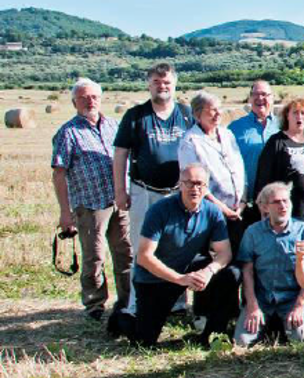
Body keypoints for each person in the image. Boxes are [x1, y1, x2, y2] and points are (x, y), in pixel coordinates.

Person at [126, 164, 234, 347]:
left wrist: (208, 272)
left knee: (230, 275)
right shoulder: (160, 210)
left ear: (207, 187)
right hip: (155, 277)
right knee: (144, 341)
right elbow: (144, 257)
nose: (195, 189)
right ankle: (121, 318)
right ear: (180, 185)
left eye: (200, 184)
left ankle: (212, 334)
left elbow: (225, 252)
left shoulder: (212, 211)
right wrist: (179, 279)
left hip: (188, 268)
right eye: (189, 183)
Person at [52, 77, 131, 322]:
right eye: (83, 98)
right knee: (94, 257)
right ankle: (95, 304)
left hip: (119, 200)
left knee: (125, 253)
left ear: (101, 98)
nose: (90, 101)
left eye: (94, 96)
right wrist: (65, 212)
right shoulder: (68, 133)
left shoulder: (114, 126)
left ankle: (128, 301)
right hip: (89, 203)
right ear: (74, 102)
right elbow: (59, 173)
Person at [113, 63, 195, 273]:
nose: (162, 86)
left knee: (177, 247)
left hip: (179, 194)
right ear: (148, 85)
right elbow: (120, 154)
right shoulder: (135, 115)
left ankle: (176, 293)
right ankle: (139, 294)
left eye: (166, 82)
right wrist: (120, 191)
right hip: (144, 192)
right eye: (156, 82)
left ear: (175, 84)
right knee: (142, 249)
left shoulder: (187, 114)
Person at [234, 183, 304, 348]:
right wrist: (252, 305)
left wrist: (300, 306)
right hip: (263, 299)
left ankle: (280, 325)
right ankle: (271, 325)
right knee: (241, 342)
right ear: (265, 207)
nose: (283, 206)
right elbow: (247, 271)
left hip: (292, 299)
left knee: (302, 340)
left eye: (286, 201)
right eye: (276, 202)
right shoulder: (252, 232)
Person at [178, 91, 247, 253]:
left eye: (219, 109)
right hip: (210, 213)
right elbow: (193, 183)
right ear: (197, 114)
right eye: (212, 110)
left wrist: (243, 201)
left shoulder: (227, 134)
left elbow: (240, 168)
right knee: (217, 256)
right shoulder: (190, 142)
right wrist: (223, 209)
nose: (218, 114)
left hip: (238, 210)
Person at [252, 96, 304, 219]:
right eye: (295, 112)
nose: (299, 117)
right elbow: (263, 178)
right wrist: (264, 209)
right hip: (285, 213)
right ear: (287, 116)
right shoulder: (276, 142)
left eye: (303, 113)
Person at [228, 80, 279, 194]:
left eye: (264, 94)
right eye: (255, 94)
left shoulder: (284, 126)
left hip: (277, 197)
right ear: (250, 98)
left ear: (272, 98)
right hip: (246, 195)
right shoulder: (235, 128)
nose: (260, 98)